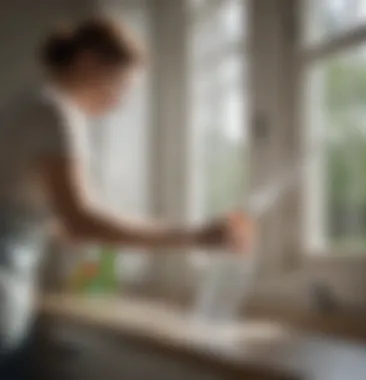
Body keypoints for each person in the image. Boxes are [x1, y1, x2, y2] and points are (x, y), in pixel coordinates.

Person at [0, 17, 254, 379]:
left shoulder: (26, 104)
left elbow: (37, 212)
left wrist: (79, 231)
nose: (120, 102)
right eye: (120, 85)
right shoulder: (53, 111)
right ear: (88, 62)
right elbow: (81, 220)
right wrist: (198, 236)